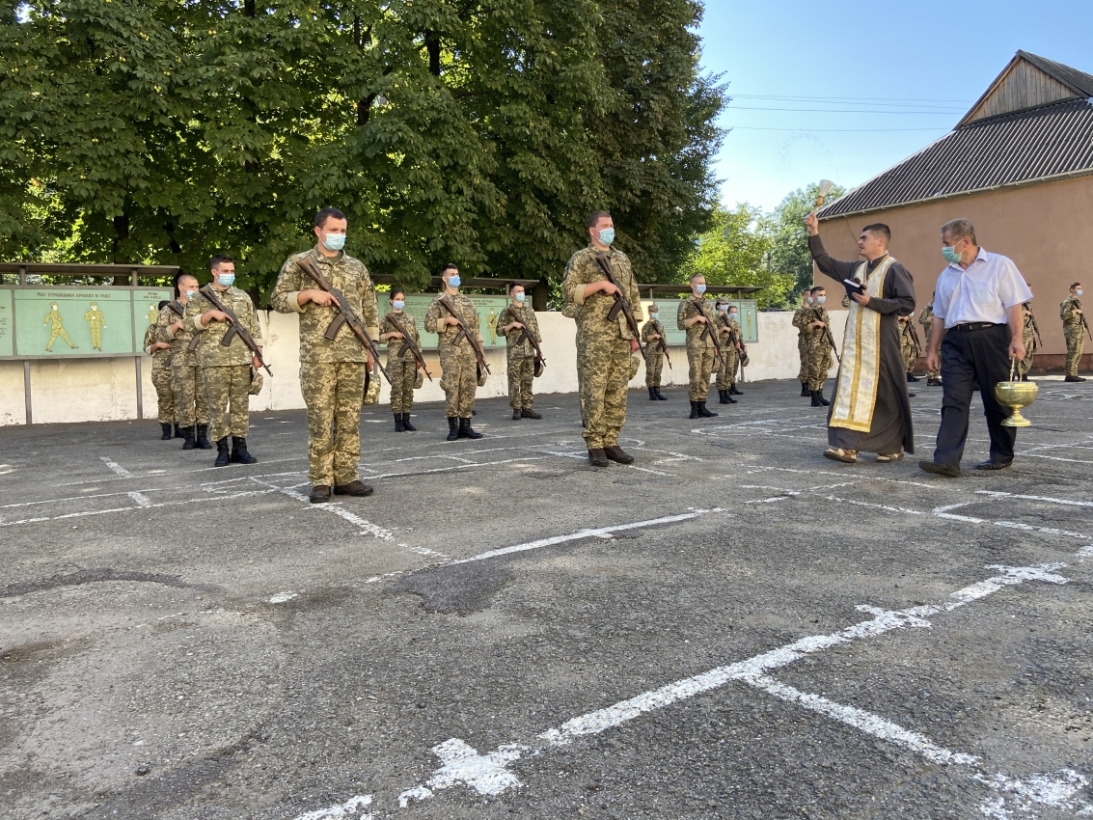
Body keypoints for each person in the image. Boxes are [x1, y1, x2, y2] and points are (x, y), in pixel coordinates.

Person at [271, 208, 380, 500]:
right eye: (334, 230)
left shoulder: (356, 268)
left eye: (343, 231)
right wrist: (306, 295)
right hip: (318, 355)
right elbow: (278, 299)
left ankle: (347, 476)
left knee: (349, 418)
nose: (339, 236)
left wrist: (372, 346)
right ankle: (321, 479)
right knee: (320, 419)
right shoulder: (299, 263)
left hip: (354, 354)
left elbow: (369, 310)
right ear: (318, 231)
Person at [919, 218, 1032, 477]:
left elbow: (1014, 305)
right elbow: (939, 315)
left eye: (947, 243)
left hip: (991, 338)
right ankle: (946, 459)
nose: (944, 248)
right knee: (953, 399)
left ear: (965, 241)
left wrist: (1017, 339)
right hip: (956, 341)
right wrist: (932, 350)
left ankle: (1002, 454)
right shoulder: (946, 275)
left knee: (996, 399)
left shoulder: (1000, 265)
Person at [805, 213, 915, 464]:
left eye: (865, 238)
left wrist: (871, 302)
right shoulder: (856, 269)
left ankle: (890, 446)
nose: (860, 241)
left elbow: (907, 304)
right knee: (849, 393)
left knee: (884, 393)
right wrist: (813, 232)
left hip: (882, 343)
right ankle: (846, 446)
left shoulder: (894, 269)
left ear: (881, 241)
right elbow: (825, 263)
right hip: (855, 346)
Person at [561, 210, 643, 467]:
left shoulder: (622, 258)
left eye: (612, 224)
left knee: (617, 390)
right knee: (594, 390)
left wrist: (633, 333)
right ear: (593, 231)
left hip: (621, 333)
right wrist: (599, 286)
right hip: (594, 336)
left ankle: (611, 441)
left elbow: (632, 296)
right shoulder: (582, 259)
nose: (610, 229)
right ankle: (595, 443)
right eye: (605, 225)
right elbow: (567, 292)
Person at [184, 255, 264, 468]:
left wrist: (258, 353)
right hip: (213, 361)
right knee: (217, 407)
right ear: (214, 272)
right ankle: (222, 449)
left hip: (240, 360)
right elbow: (188, 325)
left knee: (240, 406)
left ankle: (240, 448)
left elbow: (254, 326)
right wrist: (208, 315)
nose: (229, 275)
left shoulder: (242, 297)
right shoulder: (199, 298)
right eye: (225, 271)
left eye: (231, 271)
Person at [425, 264, 485, 441]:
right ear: (444, 279)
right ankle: (453, 427)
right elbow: (428, 325)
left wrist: (480, 351)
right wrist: (446, 320)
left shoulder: (468, 301)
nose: (455, 277)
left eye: (457, 274)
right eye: (452, 274)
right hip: (450, 351)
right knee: (452, 388)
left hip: (469, 351)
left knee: (469, 387)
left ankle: (466, 425)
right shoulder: (438, 301)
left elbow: (475, 328)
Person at [158, 273, 210, 449]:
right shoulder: (169, 310)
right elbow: (158, 335)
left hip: (203, 359)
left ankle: (203, 435)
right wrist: (174, 327)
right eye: (191, 287)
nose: (195, 290)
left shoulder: (204, 308)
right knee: (184, 399)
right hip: (182, 361)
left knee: (204, 398)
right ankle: (189, 436)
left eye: (197, 287)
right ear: (181, 288)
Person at [496, 282, 543, 420]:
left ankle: (527, 408)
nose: (521, 293)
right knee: (514, 381)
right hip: (514, 353)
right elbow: (499, 331)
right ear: (512, 294)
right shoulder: (507, 311)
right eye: (518, 291)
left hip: (529, 352)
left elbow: (536, 332)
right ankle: (516, 408)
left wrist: (539, 351)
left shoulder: (530, 311)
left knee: (528, 380)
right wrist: (511, 325)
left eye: (522, 291)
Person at [379, 288, 422, 433]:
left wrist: (418, 356)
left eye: (402, 299)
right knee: (397, 389)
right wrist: (390, 334)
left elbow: (416, 338)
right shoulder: (386, 319)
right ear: (391, 301)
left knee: (408, 389)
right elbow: (375, 337)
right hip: (395, 358)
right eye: (397, 299)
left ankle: (407, 419)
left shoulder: (410, 318)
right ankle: (398, 421)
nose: (400, 302)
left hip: (410, 358)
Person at [677, 274, 719, 419]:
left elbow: (713, 325)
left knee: (706, 376)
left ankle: (703, 406)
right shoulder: (686, 303)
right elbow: (680, 324)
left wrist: (716, 344)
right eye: (699, 283)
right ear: (692, 285)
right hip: (695, 345)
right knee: (695, 376)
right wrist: (695, 319)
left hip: (709, 344)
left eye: (704, 282)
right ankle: (694, 408)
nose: (702, 285)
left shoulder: (708, 303)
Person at [794, 286, 834, 407]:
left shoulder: (824, 311)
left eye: (824, 295)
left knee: (823, 373)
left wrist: (831, 343)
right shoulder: (808, 311)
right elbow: (802, 327)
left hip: (825, 345)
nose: (823, 297)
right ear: (813, 296)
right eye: (820, 295)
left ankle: (820, 395)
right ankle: (814, 398)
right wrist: (814, 324)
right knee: (814, 372)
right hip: (814, 346)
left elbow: (827, 328)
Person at [143, 300, 176, 440]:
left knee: (181, 399)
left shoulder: (179, 327)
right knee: (165, 399)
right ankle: (166, 429)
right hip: (161, 369)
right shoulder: (153, 328)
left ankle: (181, 428)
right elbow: (146, 349)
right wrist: (157, 345)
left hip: (179, 367)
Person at [641, 303, 669, 401]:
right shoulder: (647, 325)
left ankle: (658, 391)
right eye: (653, 311)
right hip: (651, 351)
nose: (655, 313)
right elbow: (644, 338)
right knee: (650, 372)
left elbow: (663, 337)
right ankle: (651, 393)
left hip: (660, 351)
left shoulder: (659, 324)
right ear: (649, 312)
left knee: (658, 372)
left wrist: (666, 348)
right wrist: (652, 336)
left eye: (656, 312)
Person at [713, 300, 739, 404]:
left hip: (731, 348)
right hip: (721, 348)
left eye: (726, 304)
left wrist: (737, 342)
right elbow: (712, 333)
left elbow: (735, 331)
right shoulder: (714, 318)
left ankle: (727, 393)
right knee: (721, 372)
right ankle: (721, 395)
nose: (725, 306)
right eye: (723, 304)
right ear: (718, 306)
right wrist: (722, 329)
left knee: (729, 371)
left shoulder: (728, 318)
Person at [1061, 282, 1086, 382]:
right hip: (1071, 330)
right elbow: (1063, 315)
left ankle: (1074, 373)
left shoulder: (1077, 301)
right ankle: (1069, 375)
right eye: (1078, 288)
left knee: (1078, 352)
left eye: (1081, 288)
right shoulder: (1068, 302)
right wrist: (1074, 312)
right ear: (1072, 290)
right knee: (1073, 352)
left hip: (1079, 329)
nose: (1080, 290)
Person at [918, 295, 942, 386]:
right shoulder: (927, 308)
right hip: (930, 335)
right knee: (932, 353)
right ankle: (931, 378)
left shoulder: (942, 307)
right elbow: (921, 320)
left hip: (941, 334)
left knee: (939, 355)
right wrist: (931, 319)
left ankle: (936, 376)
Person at [793, 292, 813, 397]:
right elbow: (795, 323)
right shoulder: (800, 311)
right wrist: (808, 325)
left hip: (814, 340)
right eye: (809, 295)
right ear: (804, 296)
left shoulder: (813, 310)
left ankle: (810, 385)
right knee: (805, 362)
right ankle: (804, 387)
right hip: (804, 340)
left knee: (812, 363)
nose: (811, 297)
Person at [1017, 301, 1038, 382]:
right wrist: (1023, 312)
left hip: (1029, 332)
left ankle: (1025, 373)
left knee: (1029, 354)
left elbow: (1031, 320)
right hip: (1021, 332)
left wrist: (1033, 333)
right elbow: (1012, 316)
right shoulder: (1016, 303)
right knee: (1021, 354)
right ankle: (1020, 375)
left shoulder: (1028, 304)